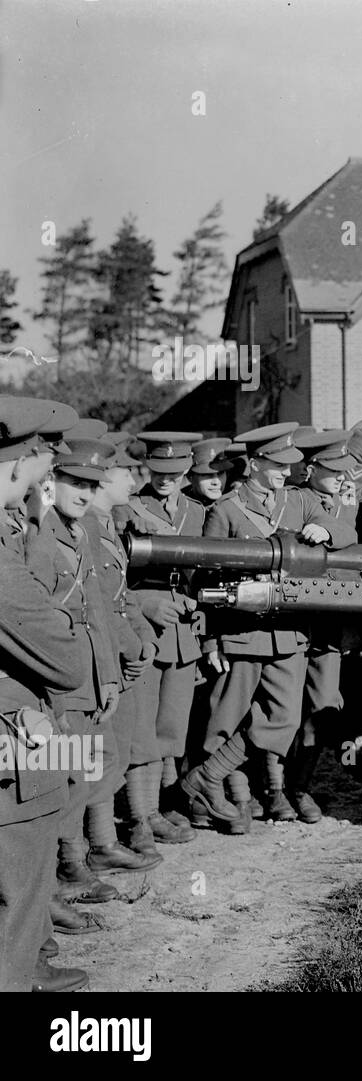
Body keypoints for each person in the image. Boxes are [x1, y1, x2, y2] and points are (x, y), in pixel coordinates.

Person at [188, 422, 354, 831]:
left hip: (288, 634)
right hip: (241, 633)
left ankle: (204, 779)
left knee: (283, 720)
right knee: (223, 721)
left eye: (289, 464)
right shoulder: (226, 509)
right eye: (278, 464)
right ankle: (221, 799)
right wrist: (210, 640)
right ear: (256, 462)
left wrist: (327, 529)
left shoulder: (296, 503)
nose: (285, 471)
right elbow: (204, 581)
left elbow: (347, 530)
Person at [0, 395, 92, 992]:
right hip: (16, 732)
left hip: (30, 726)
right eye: (42, 467)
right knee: (19, 870)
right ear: (15, 467)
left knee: (29, 861)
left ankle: (32, 960)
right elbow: (65, 659)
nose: (46, 481)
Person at [27, 438, 140, 911]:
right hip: (58, 679)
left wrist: (109, 676)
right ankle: (61, 869)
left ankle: (73, 859)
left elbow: (98, 608)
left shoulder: (82, 530)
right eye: (76, 482)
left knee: (94, 766)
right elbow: (34, 618)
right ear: (52, 480)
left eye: (92, 484)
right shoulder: (38, 533)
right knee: (64, 776)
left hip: (89, 675)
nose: (84, 492)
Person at [85, 436, 169, 862]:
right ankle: (97, 845)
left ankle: (107, 841)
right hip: (105, 658)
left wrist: (144, 640)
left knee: (118, 748)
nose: (132, 478)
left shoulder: (105, 525)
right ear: (102, 480)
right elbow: (99, 604)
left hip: (121, 654)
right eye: (124, 472)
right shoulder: (88, 529)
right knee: (100, 752)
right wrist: (133, 648)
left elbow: (122, 596)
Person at [124, 432, 206, 839]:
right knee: (141, 727)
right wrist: (146, 603)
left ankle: (159, 806)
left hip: (183, 630)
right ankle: (141, 817)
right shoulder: (129, 509)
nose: (164, 479)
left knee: (171, 725)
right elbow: (110, 579)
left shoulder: (196, 512)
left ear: (188, 468)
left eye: (173, 472)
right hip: (144, 628)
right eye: (157, 470)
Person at [286, 430, 361, 823]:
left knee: (320, 709)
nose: (340, 477)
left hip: (328, 629)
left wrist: (334, 527)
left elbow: (351, 538)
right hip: (290, 624)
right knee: (277, 712)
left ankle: (300, 787)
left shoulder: (343, 502)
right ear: (310, 468)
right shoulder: (296, 498)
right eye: (331, 470)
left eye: (343, 470)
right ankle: (264, 789)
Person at [185, 438, 233, 507]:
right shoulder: (181, 506)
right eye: (207, 475)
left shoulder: (233, 505)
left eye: (220, 473)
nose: (216, 482)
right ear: (190, 477)